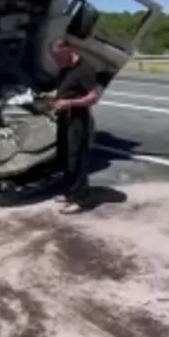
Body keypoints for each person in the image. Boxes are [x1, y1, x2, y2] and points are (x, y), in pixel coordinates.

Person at [45, 39, 103, 214]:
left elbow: (93, 97)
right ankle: (70, 193)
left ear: (69, 49)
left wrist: (69, 103)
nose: (55, 60)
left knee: (76, 158)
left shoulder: (84, 69)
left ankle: (81, 198)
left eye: (58, 55)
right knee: (65, 156)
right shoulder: (66, 69)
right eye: (54, 56)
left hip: (77, 119)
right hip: (64, 117)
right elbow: (66, 89)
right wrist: (54, 94)